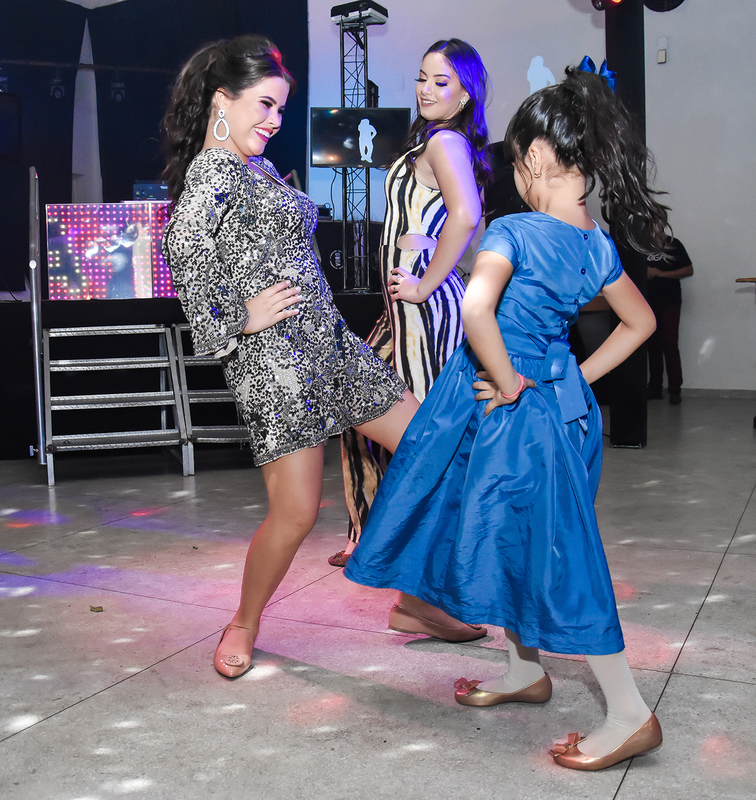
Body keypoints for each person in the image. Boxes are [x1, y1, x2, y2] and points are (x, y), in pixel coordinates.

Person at [345, 64, 669, 771]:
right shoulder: (596, 244)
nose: (514, 178)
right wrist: (567, 381)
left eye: (516, 163)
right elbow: (639, 323)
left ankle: (629, 713)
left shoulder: (516, 231)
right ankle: (526, 671)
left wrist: (509, 381)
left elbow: (474, 309)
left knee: (561, 556)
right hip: (563, 411)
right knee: (526, 543)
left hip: (514, 410)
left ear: (539, 160)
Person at [160, 35, 475, 679]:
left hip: (331, 345)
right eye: (266, 106)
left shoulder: (255, 166)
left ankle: (417, 601)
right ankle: (244, 622)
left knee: (433, 448)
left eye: (280, 109)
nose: (275, 122)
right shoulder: (212, 171)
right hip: (274, 365)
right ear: (224, 100)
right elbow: (181, 244)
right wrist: (237, 318)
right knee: (297, 514)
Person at [332, 39, 490, 575]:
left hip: (420, 310)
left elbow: (467, 216)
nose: (425, 89)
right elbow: (467, 221)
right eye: (422, 77)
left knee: (420, 430)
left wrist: (427, 283)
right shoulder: (438, 141)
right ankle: (371, 533)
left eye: (440, 82)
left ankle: (423, 547)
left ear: (465, 94)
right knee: (360, 407)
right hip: (401, 308)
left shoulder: (446, 142)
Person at [639, 237, 692, 404]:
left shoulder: (673, 244)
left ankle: (675, 389)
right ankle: (655, 388)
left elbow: (688, 270)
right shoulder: (640, 244)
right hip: (645, 301)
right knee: (651, 344)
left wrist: (660, 273)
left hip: (670, 300)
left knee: (669, 343)